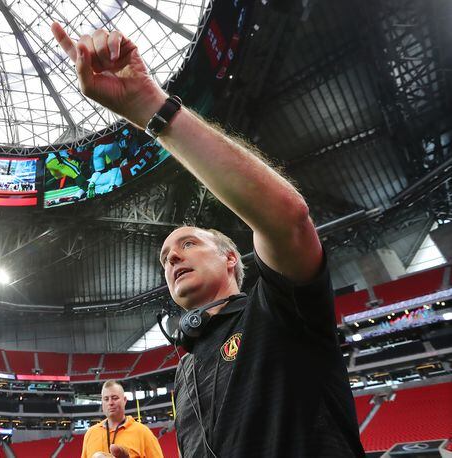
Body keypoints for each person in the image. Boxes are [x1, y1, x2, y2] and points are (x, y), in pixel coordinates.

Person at [52, 23, 365, 457]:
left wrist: (149, 106)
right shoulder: (187, 369)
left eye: (188, 244)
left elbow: (287, 219)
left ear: (232, 257)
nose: (173, 258)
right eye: (165, 257)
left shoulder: (278, 310)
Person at [80, 380, 162, 458]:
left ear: (124, 400)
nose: (110, 403)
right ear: (102, 402)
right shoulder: (90, 434)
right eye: (106, 399)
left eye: (115, 398)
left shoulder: (143, 432)